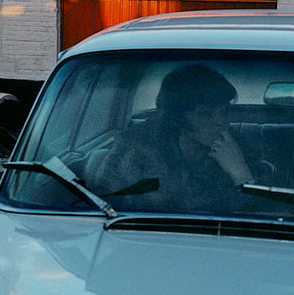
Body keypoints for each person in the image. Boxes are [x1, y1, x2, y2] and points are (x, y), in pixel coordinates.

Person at [89, 64, 254, 211]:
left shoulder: (239, 150)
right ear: (177, 117)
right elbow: (102, 205)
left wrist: (240, 173)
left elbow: (261, 217)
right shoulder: (137, 149)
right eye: (205, 114)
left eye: (225, 112)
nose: (221, 123)